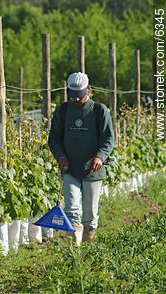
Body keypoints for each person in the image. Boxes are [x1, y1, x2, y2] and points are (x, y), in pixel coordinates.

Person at [48, 72, 114, 245]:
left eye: (79, 96)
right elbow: (54, 139)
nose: (76, 100)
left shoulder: (99, 111)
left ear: (89, 90)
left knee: (90, 215)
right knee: (71, 210)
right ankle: (73, 250)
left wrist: (100, 157)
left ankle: (87, 248)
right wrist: (60, 156)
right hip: (70, 168)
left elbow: (108, 139)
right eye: (72, 96)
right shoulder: (62, 111)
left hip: (93, 170)